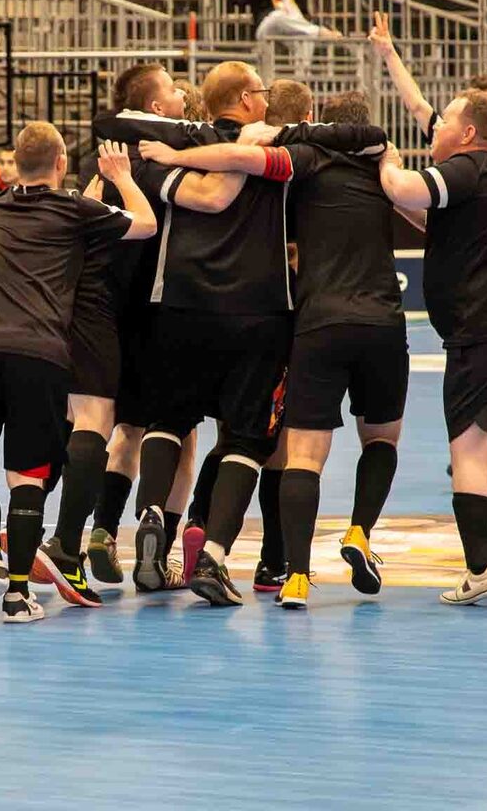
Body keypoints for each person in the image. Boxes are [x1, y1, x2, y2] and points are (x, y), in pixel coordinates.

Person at [144, 89, 408, 610]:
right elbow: (424, 210)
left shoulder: (301, 163)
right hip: (371, 319)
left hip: (303, 318)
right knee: (369, 439)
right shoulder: (383, 170)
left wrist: (173, 155)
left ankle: (286, 569)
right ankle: (337, 539)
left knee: (280, 447)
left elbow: (238, 157)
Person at [0, 124, 156, 624]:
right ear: (61, 163)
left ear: (14, 165)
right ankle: (19, 595)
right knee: (29, 475)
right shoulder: (74, 210)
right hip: (38, 354)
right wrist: (122, 178)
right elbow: (146, 223)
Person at [378, 91, 487, 606]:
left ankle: (479, 569)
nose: (435, 128)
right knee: (484, 440)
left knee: (466, 448)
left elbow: (403, 185)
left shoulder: (466, 169)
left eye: (444, 120)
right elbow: (429, 217)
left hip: (485, 335)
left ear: (469, 133)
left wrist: (384, 161)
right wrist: (395, 194)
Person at [85, 63, 241, 592]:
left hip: (112, 308)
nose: (180, 93)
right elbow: (210, 196)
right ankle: (165, 538)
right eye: (172, 89)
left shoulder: (110, 157)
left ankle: (102, 529)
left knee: (125, 429)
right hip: (165, 306)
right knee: (180, 433)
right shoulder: (165, 158)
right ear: (156, 110)